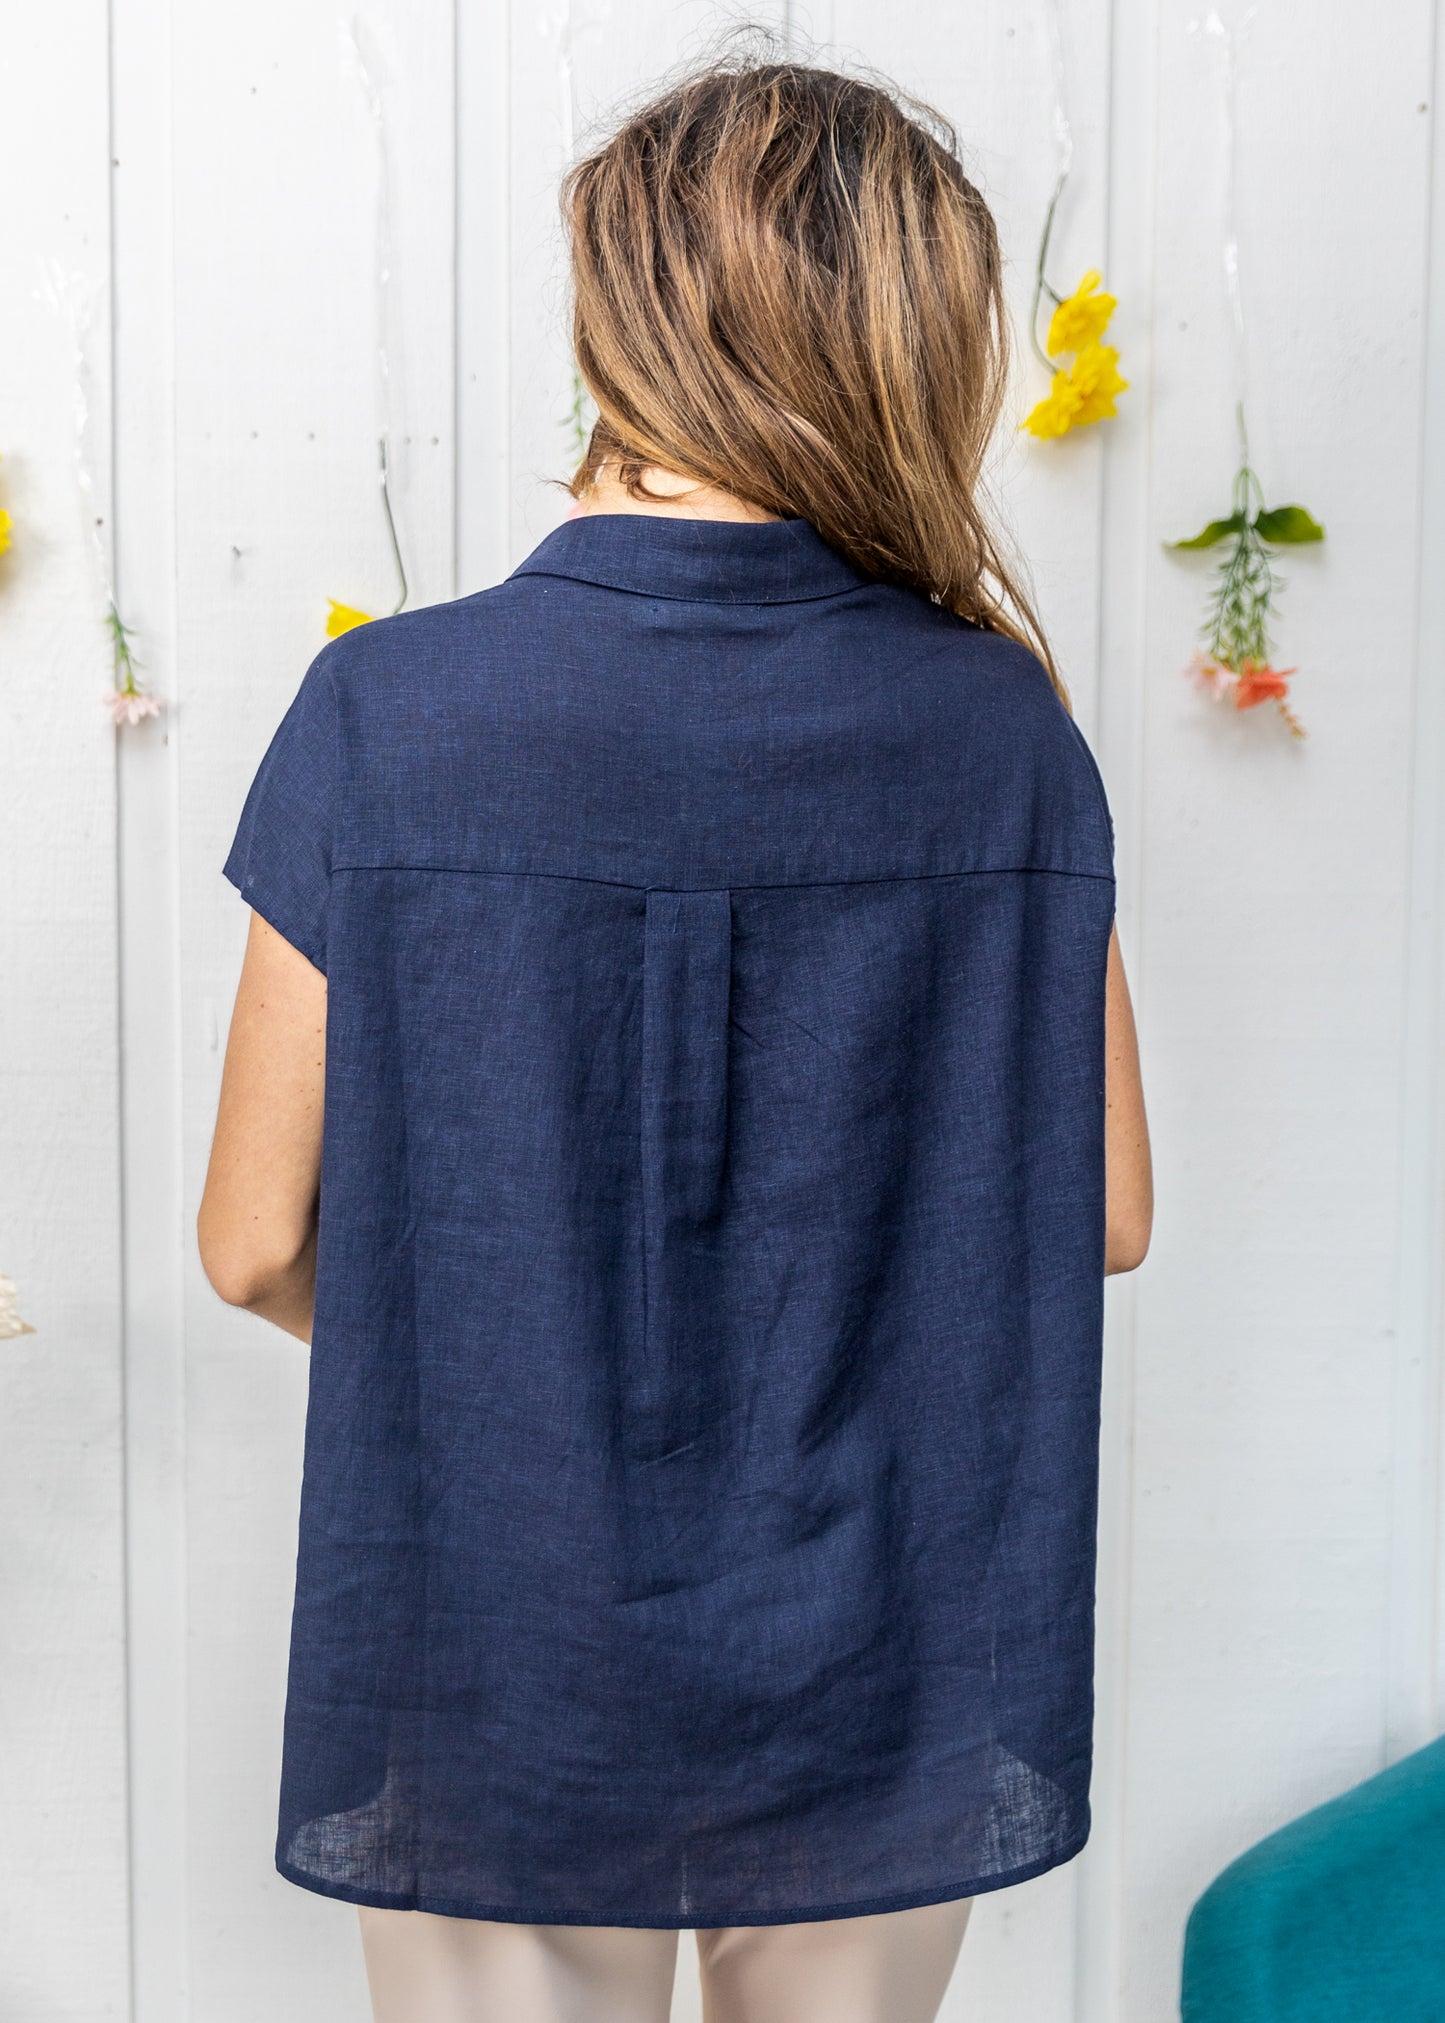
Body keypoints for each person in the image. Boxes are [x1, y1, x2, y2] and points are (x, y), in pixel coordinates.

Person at [198, 53, 1151, 2023]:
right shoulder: (1002, 730)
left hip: (501, 1620)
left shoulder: (388, 713)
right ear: (912, 344)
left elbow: (254, 1242)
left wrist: (515, 1373)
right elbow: (1107, 1215)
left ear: (614, 317)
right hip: (879, 1641)